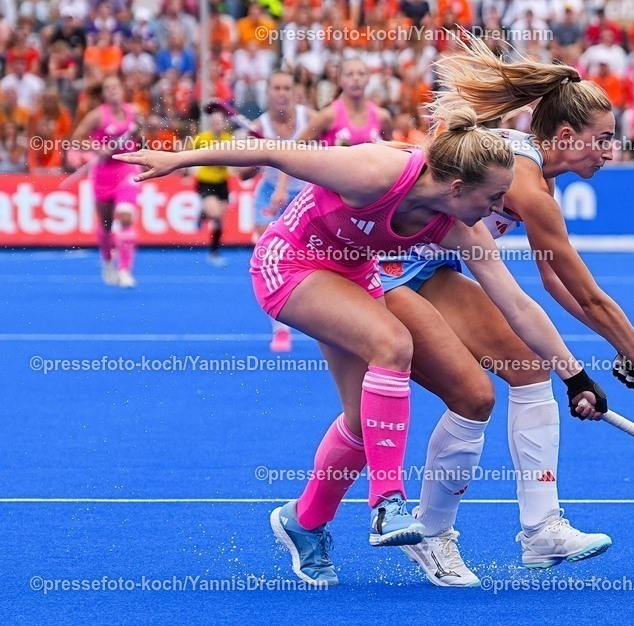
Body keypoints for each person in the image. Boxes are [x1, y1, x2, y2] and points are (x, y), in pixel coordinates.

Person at [114, 106, 608, 587]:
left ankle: (303, 523)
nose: (500, 209)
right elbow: (275, 152)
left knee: (362, 422)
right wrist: (179, 160)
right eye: (494, 197)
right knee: (393, 343)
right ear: (458, 189)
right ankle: (387, 504)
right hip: (290, 263)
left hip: (353, 276)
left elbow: (517, 306)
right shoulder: (374, 170)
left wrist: (574, 376)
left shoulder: (460, 226)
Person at [376, 36, 634, 587]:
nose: (611, 151)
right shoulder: (526, 183)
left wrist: (626, 357)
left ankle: (541, 529)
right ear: (567, 136)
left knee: (530, 367)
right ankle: (429, 534)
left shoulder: (539, 179)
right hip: (380, 267)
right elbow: (591, 295)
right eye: (603, 140)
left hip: (431, 268)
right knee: (472, 395)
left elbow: (555, 281)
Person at [246, 72, 311, 353]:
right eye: (276, 88)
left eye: (287, 87)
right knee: (268, 259)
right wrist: (253, 156)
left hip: (305, 193)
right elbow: (242, 174)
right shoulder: (257, 126)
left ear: (295, 92)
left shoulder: (311, 119)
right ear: (268, 93)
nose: (282, 93)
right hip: (269, 193)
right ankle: (280, 328)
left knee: (311, 261)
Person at [70, 75, 142, 288]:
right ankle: (108, 261)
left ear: (122, 90)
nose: (112, 91)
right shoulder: (96, 116)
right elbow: (77, 138)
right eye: (108, 88)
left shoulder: (134, 112)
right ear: (103, 94)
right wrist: (96, 149)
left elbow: (140, 135)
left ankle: (125, 270)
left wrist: (138, 135)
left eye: (115, 87)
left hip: (127, 169)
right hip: (103, 174)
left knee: (126, 216)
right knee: (106, 225)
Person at [190, 108, 235, 266]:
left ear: (224, 124)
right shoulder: (202, 139)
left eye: (219, 122)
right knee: (215, 214)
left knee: (219, 221)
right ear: (210, 124)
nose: (217, 124)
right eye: (214, 122)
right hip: (206, 182)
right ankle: (203, 212)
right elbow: (187, 152)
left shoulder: (229, 140)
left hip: (222, 183)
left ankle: (214, 252)